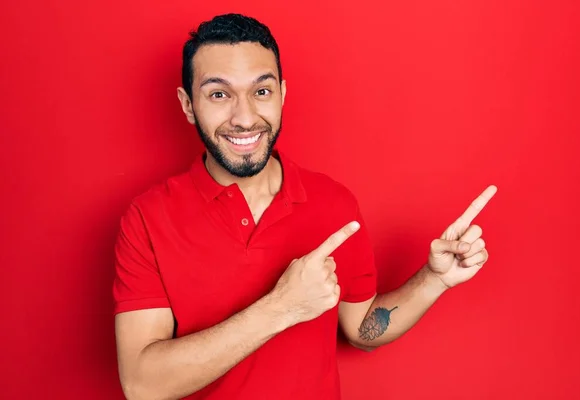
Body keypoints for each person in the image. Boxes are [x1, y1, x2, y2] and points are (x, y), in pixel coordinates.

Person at [112, 13, 497, 400]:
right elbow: (144, 386)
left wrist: (434, 280)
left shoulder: (333, 203)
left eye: (261, 92)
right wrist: (283, 307)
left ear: (281, 93)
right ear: (188, 104)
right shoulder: (147, 218)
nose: (245, 118)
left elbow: (361, 329)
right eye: (219, 94)